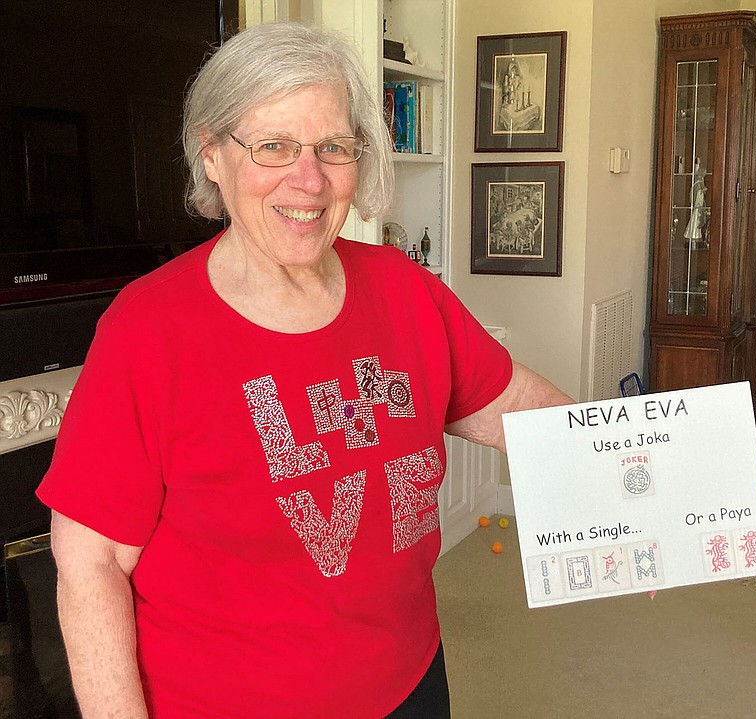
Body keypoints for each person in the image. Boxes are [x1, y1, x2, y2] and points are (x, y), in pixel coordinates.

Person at [36, 21, 572, 719]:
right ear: (212, 154)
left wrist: (630, 514)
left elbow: (530, 416)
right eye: (274, 146)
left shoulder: (406, 293)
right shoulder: (147, 331)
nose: (309, 179)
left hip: (410, 683)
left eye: (333, 148)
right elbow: (91, 563)